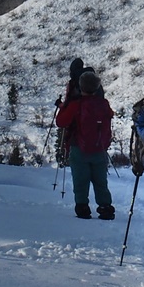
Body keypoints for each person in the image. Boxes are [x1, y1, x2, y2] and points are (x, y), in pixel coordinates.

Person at [56, 69, 116, 220]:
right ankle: (105, 207)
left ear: (80, 86)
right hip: (99, 148)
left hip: (79, 148)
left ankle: (82, 207)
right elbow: (110, 116)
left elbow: (61, 122)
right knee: (100, 181)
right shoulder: (103, 104)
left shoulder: (76, 104)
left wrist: (64, 106)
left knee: (80, 180)